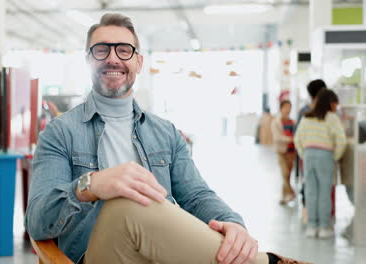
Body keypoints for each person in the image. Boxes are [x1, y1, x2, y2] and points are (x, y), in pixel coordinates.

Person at [25, 13, 311, 264]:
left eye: (124, 50)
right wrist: (93, 185)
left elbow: (197, 196)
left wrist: (233, 224)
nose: (113, 58)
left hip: (161, 255)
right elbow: (37, 219)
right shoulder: (59, 133)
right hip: (100, 255)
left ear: (138, 61)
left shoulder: (164, 132)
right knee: (126, 204)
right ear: (89, 60)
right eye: (101, 50)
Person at [294, 89, 346, 239]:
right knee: (324, 192)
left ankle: (311, 226)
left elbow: (297, 138)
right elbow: (341, 141)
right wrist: (334, 157)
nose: (336, 107)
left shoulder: (306, 117)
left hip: (308, 155)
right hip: (326, 156)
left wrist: (304, 154)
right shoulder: (332, 118)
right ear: (330, 103)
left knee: (310, 191)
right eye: (335, 104)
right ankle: (323, 227)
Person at [271, 100, 296, 204]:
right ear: (281, 109)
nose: (288, 110)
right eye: (285, 107)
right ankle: (291, 192)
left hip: (291, 151)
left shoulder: (293, 122)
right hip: (281, 151)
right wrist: (291, 139)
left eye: (289, 107)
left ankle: (284, 196)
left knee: (288, 174)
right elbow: (277, 137)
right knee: (285, 172)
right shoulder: (276, 122)